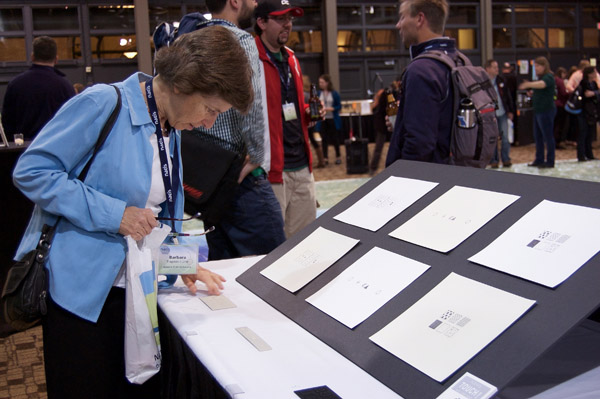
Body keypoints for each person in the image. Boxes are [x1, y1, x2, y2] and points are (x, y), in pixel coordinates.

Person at [12, 27, 253, 399]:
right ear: (183, 83)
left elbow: (155, 221)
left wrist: (182, 263)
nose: (209, 123)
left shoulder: (170, 129)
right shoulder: (102, 104)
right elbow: (33, 171)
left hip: (136, 293)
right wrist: (115, 214)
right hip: (83, 296)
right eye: (210, 109)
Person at [188, 0, 286, 260]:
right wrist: (256, 157)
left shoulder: (192, 38)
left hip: (205, 179)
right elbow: (249, 105)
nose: (255, 2)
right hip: (239, 174)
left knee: (224, 266)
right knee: (272, 264)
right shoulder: (240, 41)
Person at [254, 0, 318, 238]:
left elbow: (289, 107)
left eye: (289, 19)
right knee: (271, 247)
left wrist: (308, 112)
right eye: (280, 19)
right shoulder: (251, 59)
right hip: (271, 172)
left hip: (302, 167)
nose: (287, 25)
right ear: (261, 22)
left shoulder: (291, 58)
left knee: (303, 243)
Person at [385, 0, 455, 166]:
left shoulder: (421, 70)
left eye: (402, 17)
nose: (398, 25)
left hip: (429, 178)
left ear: (419, 19)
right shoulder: (459, 60)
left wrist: (401, 178)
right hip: (458, 172)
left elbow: (420, 143)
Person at [2, 36, 75, 140]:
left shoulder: (15, 84)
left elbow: (7, 122)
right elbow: (72, 122)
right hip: (55, 147)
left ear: (32, 57)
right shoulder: (65, 86)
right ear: (56, 59)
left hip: (22, 150)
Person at [519, 56, 556, 168]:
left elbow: (543, 84)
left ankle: (550, 161)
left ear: (544, 66)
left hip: (546, 111)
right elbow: (540, 89)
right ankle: (539, 159)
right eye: (535, 66)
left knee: (548, 136)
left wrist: (528, 84)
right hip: (538, 111)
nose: (536, 68)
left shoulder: (548, 77)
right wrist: (532, 92)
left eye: (538, 66)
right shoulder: (540, 77)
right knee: (538, 137)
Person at [485, 59, 515, 168]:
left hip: (502, 113)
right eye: (494, 67)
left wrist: (511, 111)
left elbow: (508, 96)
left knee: (505, 138)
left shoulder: (502, 80)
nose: (497, 69)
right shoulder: (483, 82)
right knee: (492, 139)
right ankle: (494, 160)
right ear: (487, 69)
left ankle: (506, 159)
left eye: (497, 67)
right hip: (489, 115)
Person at [315, 74, 343, 165]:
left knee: (335, 138)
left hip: (332, 119)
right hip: (323, 119)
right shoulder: (319, 93)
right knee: (324, 139)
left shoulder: (334, 93)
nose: (320, 84)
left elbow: (339, 105)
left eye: (322, 82)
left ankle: (338, 156)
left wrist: (332, 108)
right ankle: (325, 157)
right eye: (319, 82)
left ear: (327, 83)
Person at [303, 74, 326, 168]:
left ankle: (320, 161)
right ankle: (321, 160)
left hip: (307, 120)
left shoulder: (304, 94)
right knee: (313, 141)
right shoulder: (311, 93)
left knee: (309, 141)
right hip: (312, 120)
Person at [577, 66, 599, 161]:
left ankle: (589, 154)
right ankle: (581, 155)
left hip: (592, 112)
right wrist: (595, 94)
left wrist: (594, 93)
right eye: (594, 72)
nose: (596, 74)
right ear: (589, 74)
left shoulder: (593, 83)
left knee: (590, 133)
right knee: (583, 133)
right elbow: (586, 95)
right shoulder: (583, 83)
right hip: (583, 111)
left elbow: (595, 94)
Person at [553, 66, 569, 149]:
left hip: (553, 105)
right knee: (559, 125)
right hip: (560, 105)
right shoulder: (560, 81)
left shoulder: (553, 80)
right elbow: (564, 93)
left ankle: (553, 142)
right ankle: (557, 142)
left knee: (554, 125)